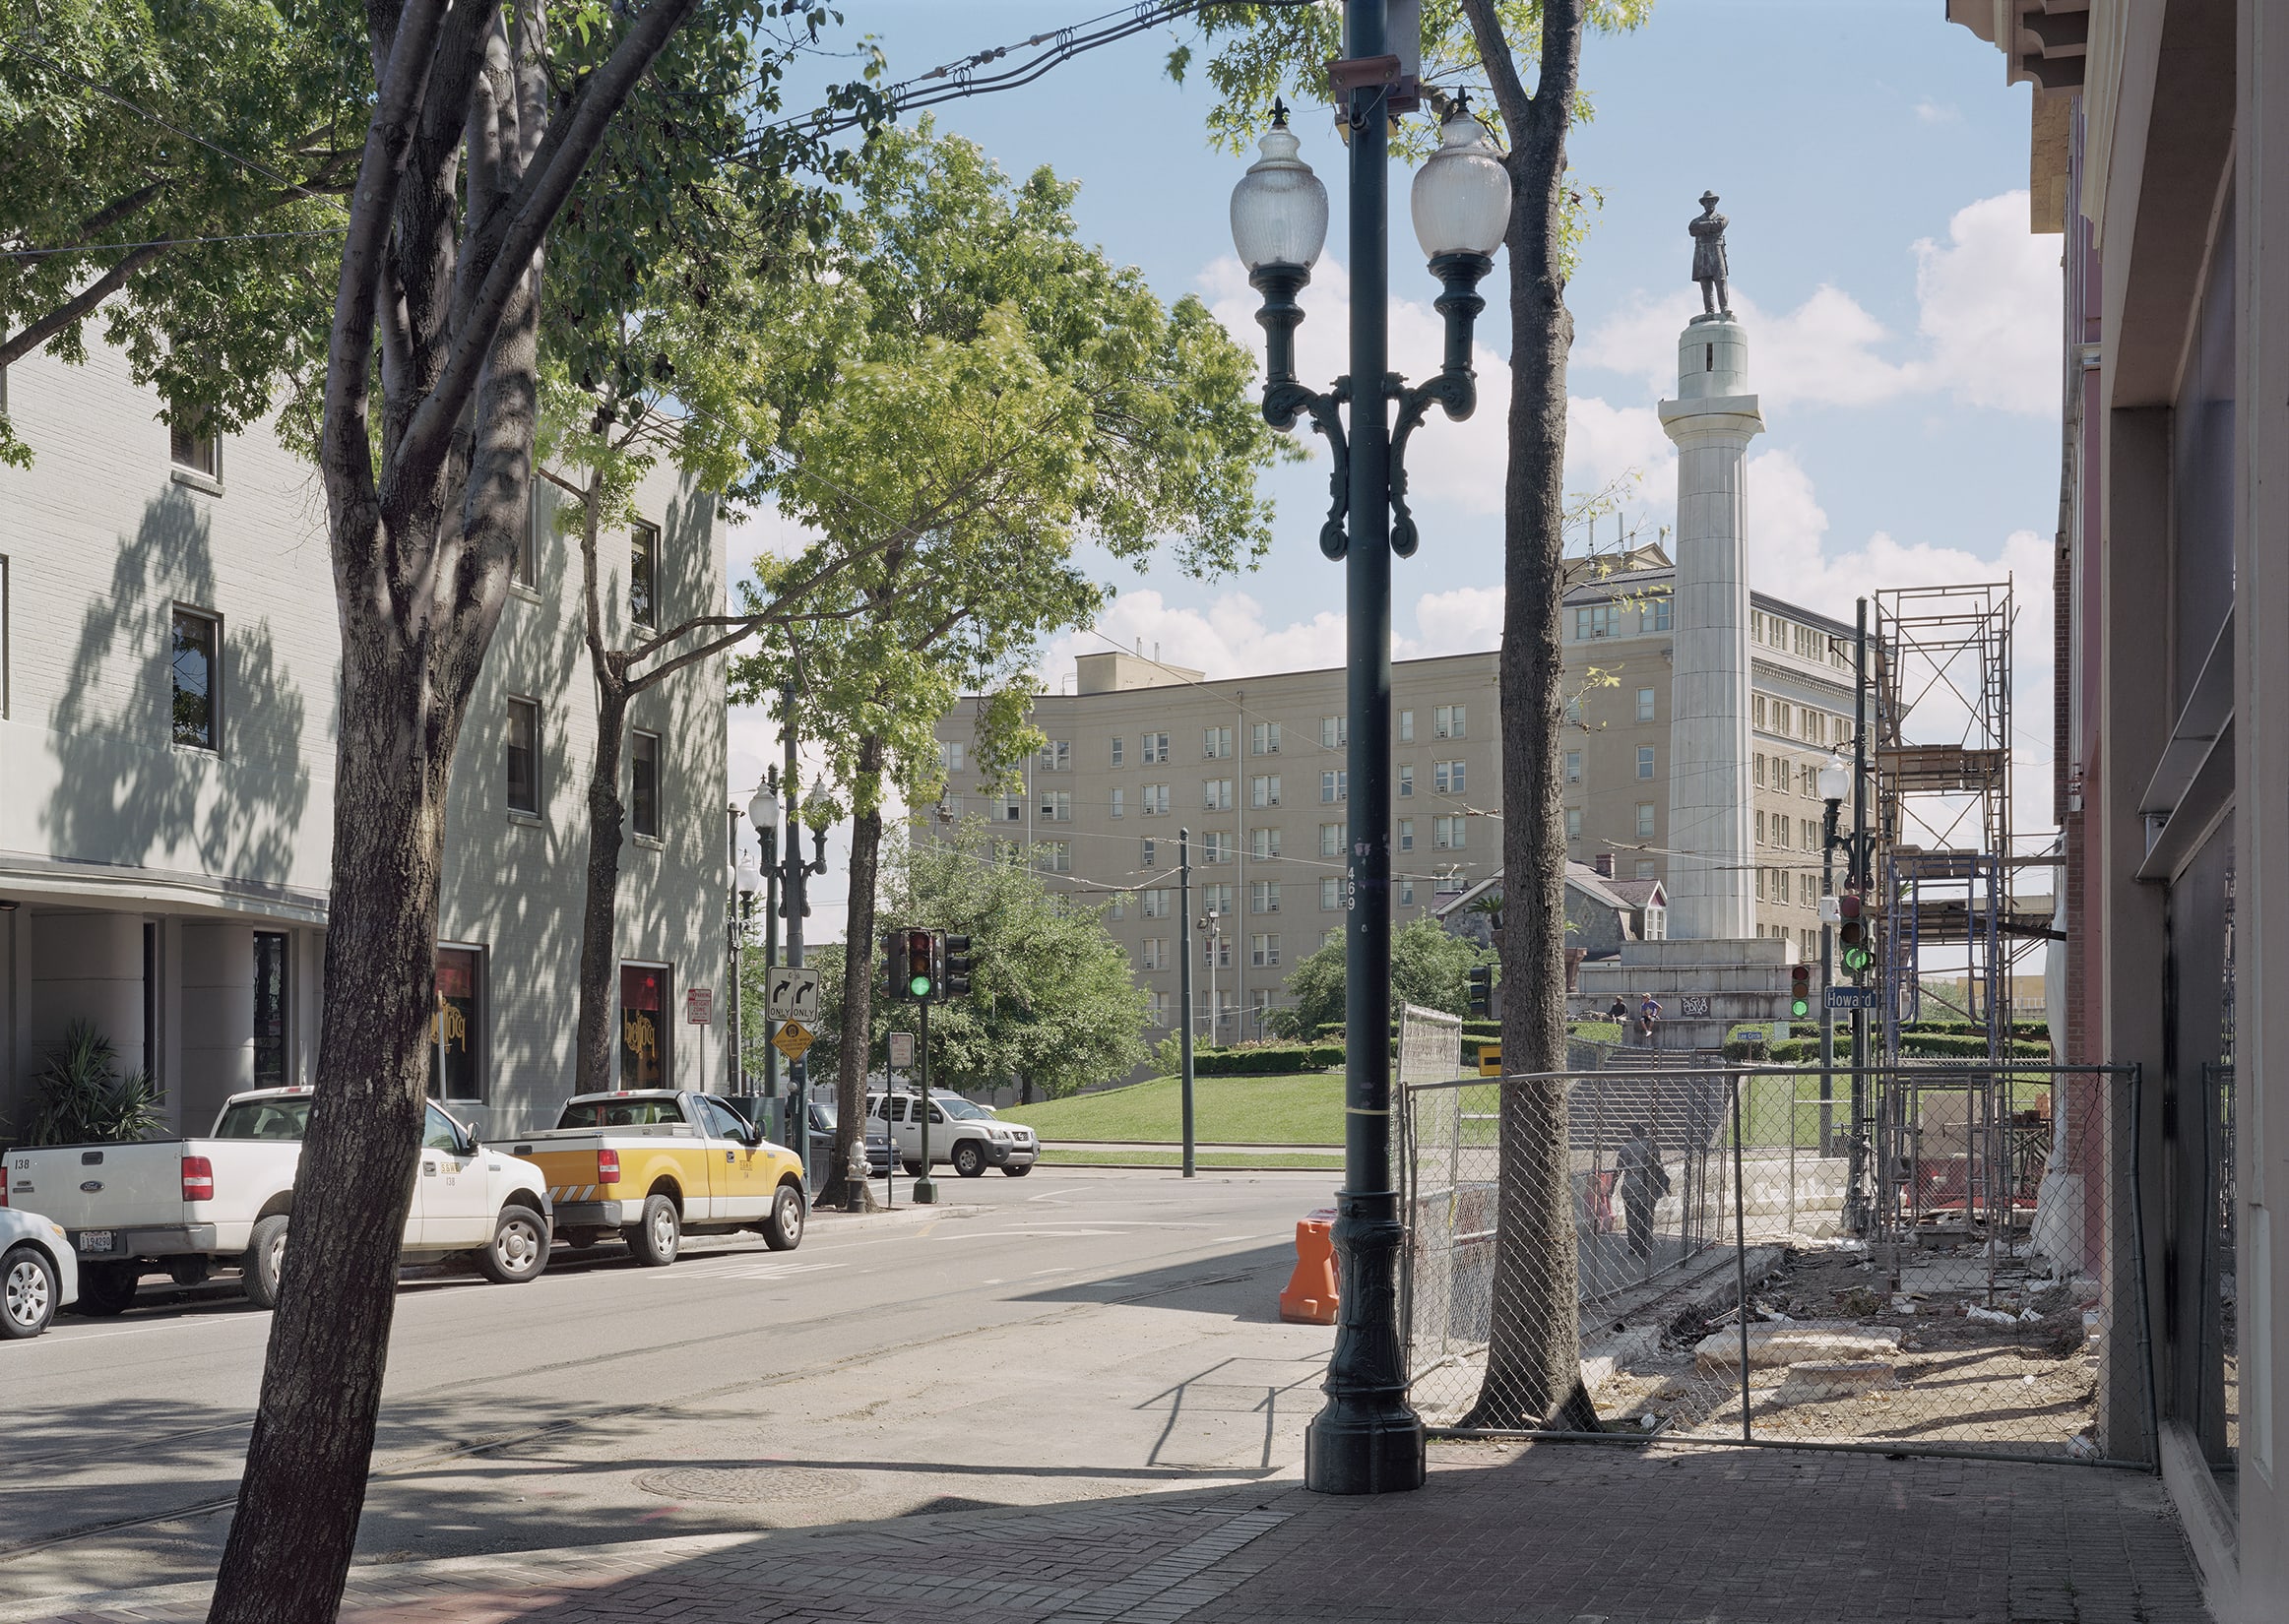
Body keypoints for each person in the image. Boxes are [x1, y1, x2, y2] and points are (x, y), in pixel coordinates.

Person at [1616, 1123, 1671, 1262]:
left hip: (1628, 1185)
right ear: (1644, 1133)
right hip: (1644, 1185)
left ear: (1632, 1133)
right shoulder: (1650, 1146)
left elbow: (1618, 1170)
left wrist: (1611, 1188)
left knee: (1631, 1217)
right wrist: (1664, 1185)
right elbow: (1658, 1167)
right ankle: (1643, 1246)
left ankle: (1633, 1245)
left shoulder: (1625, 1148)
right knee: (1645, 1217)